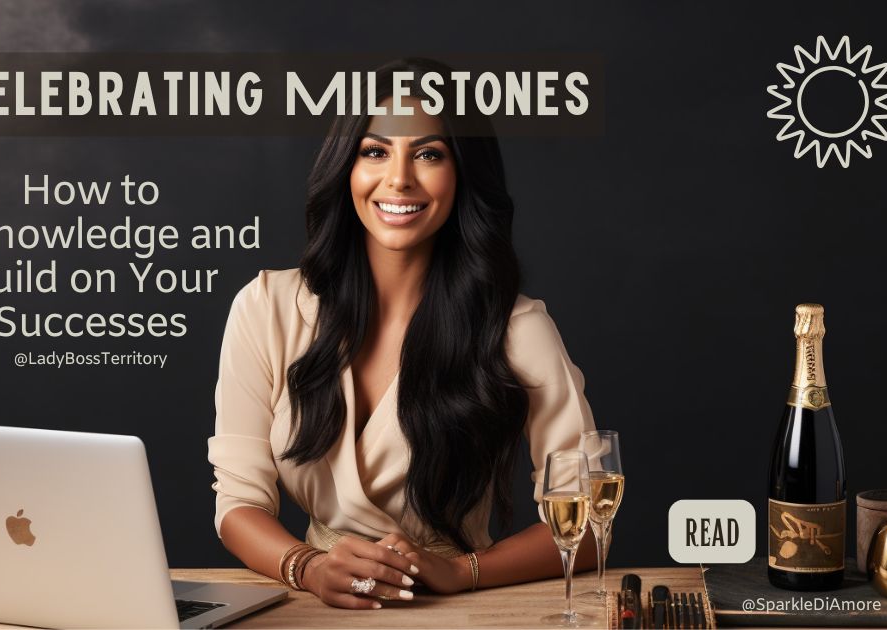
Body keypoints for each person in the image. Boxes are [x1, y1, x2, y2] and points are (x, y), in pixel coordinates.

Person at [208, 58, 597, 609]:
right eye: (375, 151)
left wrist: (463, 572)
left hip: (462, 606)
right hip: (315, 604)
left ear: (462, 172)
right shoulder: (267, 306)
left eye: (429, 154)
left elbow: (584, 524)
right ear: (346, 166)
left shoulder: (515, 327)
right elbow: (238, 506)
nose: (399, 179)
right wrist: (310, 567)